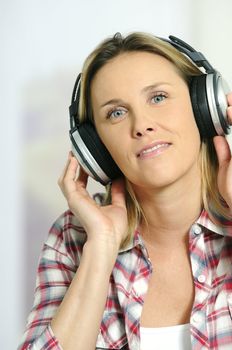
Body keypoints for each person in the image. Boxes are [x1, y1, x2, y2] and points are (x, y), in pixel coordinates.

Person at [18, 32, 232, 350]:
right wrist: (101, 248)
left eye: (158, 97)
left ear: (204, 106)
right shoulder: (72, 237)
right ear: (95, 147)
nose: (141, 125)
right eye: (116, 113)